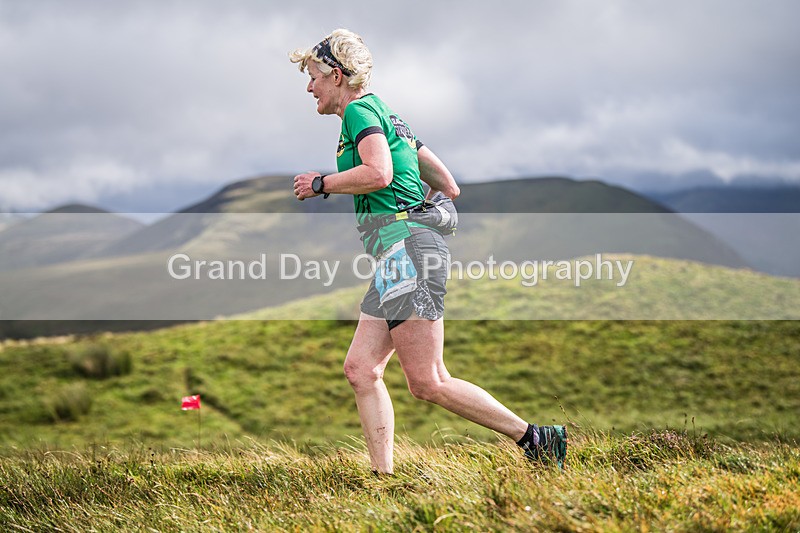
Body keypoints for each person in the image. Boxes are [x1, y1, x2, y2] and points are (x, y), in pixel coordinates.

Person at [289, 29, 567, 473]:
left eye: (314, 77)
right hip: (398, 253)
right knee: (361, 369)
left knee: (428, 380)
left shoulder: (360, 112)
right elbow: (449, 186)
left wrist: (321, 183)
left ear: (337, 76)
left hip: (406, 251)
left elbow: (378, 173)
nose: (309, 88)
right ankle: (383, 476)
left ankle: (537, 439)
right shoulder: (387, 115)